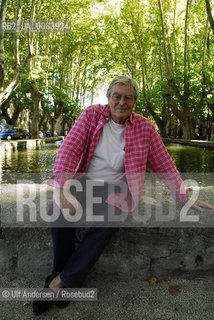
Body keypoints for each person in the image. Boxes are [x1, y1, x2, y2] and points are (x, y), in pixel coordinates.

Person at [33, 76, 214, 316]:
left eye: (128, 97)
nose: (122, 102)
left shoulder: (145, 128)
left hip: (117, 189)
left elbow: (164, 164)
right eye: (116, 96)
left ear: (134, 103)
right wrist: (62, 188)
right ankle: (63, 276)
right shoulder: (91, 116)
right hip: (84, 181)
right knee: (59, 211)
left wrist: (184, 196)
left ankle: (58, 283)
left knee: (110, 222)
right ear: (108, 98)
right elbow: (69, 150)